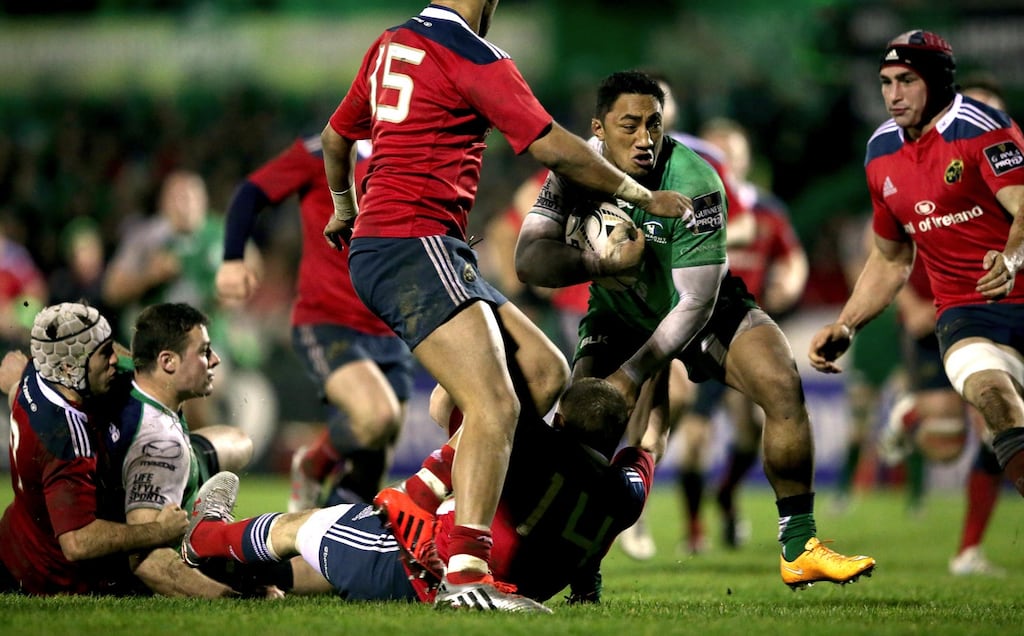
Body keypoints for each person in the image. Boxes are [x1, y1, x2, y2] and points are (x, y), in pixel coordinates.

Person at [319, 0, 690, 612]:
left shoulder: (393, 42)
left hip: (417, 245)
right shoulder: (471, 51)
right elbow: (552, 146)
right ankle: (464, 569)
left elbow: (337, 137)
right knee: (494, 403)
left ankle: (433, 488)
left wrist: (343, 205)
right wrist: (636, 193)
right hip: (414, 240)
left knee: (544, 373)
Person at [515, 69, 876, 589]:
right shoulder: (572, 168)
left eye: (654, 125)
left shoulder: (697, 181)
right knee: (583, 429)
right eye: (629, 125)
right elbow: (528, 261)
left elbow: (698, 301)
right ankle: (581, 564)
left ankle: (799, 545)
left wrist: (633, 376)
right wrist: (601, 265)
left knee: (780, 382)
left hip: (702, 308)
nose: (644, 138)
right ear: (598, 127)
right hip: (619, 311)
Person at [180, 376, 660, 608]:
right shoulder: (627, 494)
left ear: (559, 420)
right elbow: (650, 443)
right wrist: (660, 363)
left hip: (422, 569)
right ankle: (238, 578)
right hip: (504, 585)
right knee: (317, 568)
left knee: (299, 526)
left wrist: (471, 339)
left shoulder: (533, 445)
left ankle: (202, 538)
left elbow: (442, 405)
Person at [808, 31, 1024, 501]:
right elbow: (890, 257)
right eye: (886, 82)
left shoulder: (984, 129)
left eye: (906, 80)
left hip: (1020, 292)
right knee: (994, 396)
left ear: (938, 82)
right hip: (966, 309)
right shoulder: (881, 151)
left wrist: (1010, 258)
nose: (893, 94)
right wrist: (846, 325)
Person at [216, 134, 413, 511]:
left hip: (392, 327)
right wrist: (232, 257)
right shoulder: (325, 149)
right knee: (376, 418)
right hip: (329, 320)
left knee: (373, 462)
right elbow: (251, 192)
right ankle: (313, 462)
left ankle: (328, 540)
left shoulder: (412, 151)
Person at [875, 74, 1012, 576]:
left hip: (1002, 313)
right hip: (943, 314)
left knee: (997, 426)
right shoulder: (918, 165)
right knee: (952, 441)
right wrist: (909, 304)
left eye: (992, 112)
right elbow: (888, 251)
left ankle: (968, 551)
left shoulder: (1009, 171)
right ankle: (912, 416)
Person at [673, 116, 809, 554]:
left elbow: (792, 257)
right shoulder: (687, 205)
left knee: (751, 430)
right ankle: (693, 529)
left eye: (732, 151)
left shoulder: (766, 210)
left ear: (746, 158)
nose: (723, 159)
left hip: (744, 327)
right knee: (694, 437)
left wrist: (790, 281)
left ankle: (728, 494)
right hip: (693, 327)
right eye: (715, 151)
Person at [0, 302, 187, 595]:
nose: (115, 360)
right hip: (53, 580)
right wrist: (159, 531)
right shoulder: (67, 439)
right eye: (104, 354)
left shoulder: (39, 370)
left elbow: (14, 379)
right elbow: (77, 541)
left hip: (15, 547)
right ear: (68, 367)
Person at [94, 302, 260, 597]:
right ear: (168, 362)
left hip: (146, 457)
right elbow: (146, 561)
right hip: (155, 464)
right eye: (204, 351)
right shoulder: (159, 447)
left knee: (239, 442)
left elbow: (115, 352)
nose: (216, 360)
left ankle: (193, 497)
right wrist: (230, 597)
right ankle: (198, 528)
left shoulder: (131, 376)